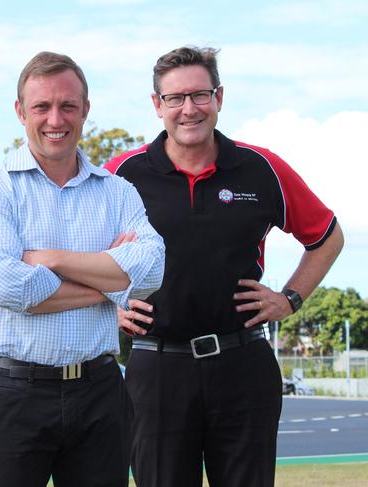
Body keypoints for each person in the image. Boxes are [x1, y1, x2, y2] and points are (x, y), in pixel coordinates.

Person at [104, 46, 343, 487]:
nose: (188, 109)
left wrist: (290, 299)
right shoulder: (120, 174)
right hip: (156, 370)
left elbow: (327, 236)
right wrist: (108, 306)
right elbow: (78, 256)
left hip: (243, 365)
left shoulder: (262, 168)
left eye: (200, 95)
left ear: (219, 97)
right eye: (175, 98)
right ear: (157, 105)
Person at [0, 51, 165, 487]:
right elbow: (7, 288)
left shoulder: (118, 192)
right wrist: (110, 282)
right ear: (21, 112)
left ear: (85, 110)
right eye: (41, 106)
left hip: (100, 391)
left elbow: (150, 273)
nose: (55, 118)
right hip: (12, 394)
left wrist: (49, 260)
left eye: (68, 106)